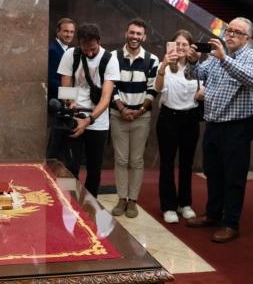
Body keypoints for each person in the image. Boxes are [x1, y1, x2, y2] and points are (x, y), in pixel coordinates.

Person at [185, 18, 253, 243]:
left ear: (247, 38)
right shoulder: (215, 55)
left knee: (234, 177)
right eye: (228, 30)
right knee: (213, 172)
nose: (229, 35)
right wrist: (193, 62)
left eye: (236, 32)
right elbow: (197, 75)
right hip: (213, 123)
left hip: (238, 126)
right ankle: (213, 214)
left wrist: (225, 59)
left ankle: (231, 223)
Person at [57, 23, 120, 197]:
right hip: (74, 118)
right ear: (79, 43)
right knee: (69, 167)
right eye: (86, 49)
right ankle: (67, 203)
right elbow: (65, 88)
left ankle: (90, 207)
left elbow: (106, 98)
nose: (89, 53)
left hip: (97, 121)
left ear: (99, 41)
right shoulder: (71, 55)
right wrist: (71, 105)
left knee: (94, 169)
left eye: (92, 49)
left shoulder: (109, 59)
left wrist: (89, 120)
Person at [109, 19, 159, 218]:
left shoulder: (152, 59)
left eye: (139, 34)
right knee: (120, 159)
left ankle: (133, 201)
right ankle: (121, 199)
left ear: (144, 37)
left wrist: (138, 111)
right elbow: (110, 85)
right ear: (126, 33)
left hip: (142, 117)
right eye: (132, 33)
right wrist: (121, 108)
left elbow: (153, 89)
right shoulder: (113, 57)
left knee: (137, 160)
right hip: (117, 115)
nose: (135, 37)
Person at [155, 30, 203, 224]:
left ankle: (185, 203)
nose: (181, 48)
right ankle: (168, 206)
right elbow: (158, 89)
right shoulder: (165, 66)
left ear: (191, 47)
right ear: (172, 46)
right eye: (178, 44)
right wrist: (164, 64)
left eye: (185, 44)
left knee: (186, 164)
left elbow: (205, 86)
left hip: (190, 118)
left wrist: (203, 91)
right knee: (167, 164)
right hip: (169, 118)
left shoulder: (197, 68)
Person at [47, 18, 76, 162]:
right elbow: (51, 79)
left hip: (65, 103)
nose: (69, 35)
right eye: (65, 31)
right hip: (56, 103)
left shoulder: (68, 50)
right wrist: (70, 95)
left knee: (62, 147)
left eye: (71, 32)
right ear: (57, 32)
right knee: (56, 147)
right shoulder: (53, 50)